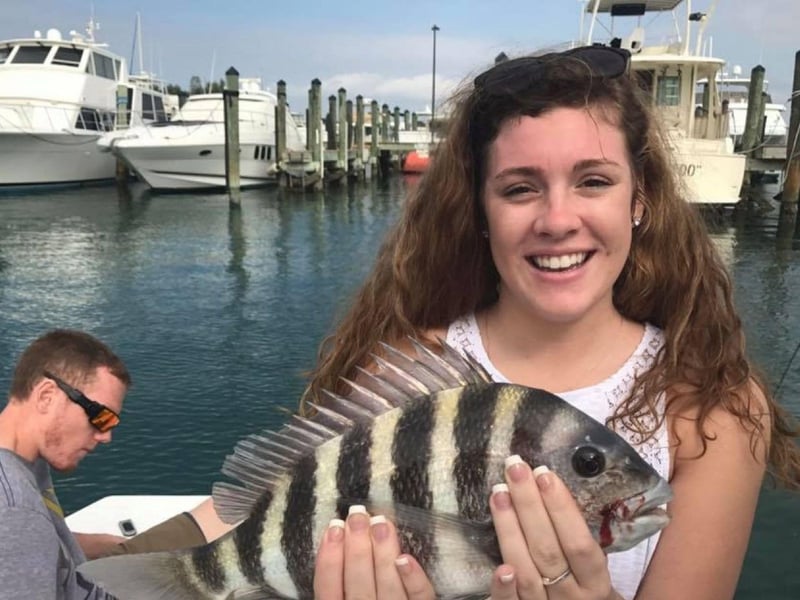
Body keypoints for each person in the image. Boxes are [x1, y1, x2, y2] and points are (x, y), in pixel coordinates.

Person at [92, 45, 800, 599]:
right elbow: (276, 505)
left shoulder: (713, 414)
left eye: (594, 180)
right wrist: (96, 566)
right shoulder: (413, 365)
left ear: (640, 199)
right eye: (520, 188)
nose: (558, 219)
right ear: (483, 213)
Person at [0, 329, 131, 599]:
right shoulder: (14, 511)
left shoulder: (27, 463)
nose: (106, 436)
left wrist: (106, 545)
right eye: (100, 417)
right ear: (47, 396)